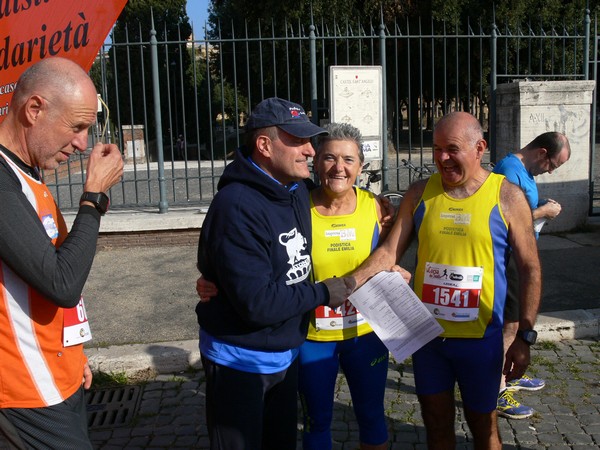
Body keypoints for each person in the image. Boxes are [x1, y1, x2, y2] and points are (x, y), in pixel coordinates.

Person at [351, 111, 542, 449]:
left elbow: (530, 269)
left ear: (479, 147)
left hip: (481, 340)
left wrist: (524, 336)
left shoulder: (508, 196)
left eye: (452, 149)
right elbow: (387, 254)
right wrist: (344, 284)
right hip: (429, 341)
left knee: (484, 430)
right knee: (437, 427)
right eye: (437, 149)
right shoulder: (420, 192)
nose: (442, 158)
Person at [195, 97, 355, 450]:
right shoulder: (236, 205)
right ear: (264, 145)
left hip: (285, 351)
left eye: (310, 141)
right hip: (240, 358)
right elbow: (258, 305)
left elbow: (335, 196)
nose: (311, 151)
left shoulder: (295, 187)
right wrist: (325, 292)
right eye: (298, 141)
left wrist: (379, 206)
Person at [0, 57, 124, 448]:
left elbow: (42, 274)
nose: (82, 143)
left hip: (60, 376)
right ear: (34, 109)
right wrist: (93, 198)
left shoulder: (29, 173)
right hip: (25, 393)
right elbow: (62, 281)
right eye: (76, 127)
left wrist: (72, 352)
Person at [299, 122, 392, 450]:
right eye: (329, 158)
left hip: (365, 336)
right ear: (316, 162)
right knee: (317, 422)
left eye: (348, 160)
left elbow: (388, 257)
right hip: (313, 338)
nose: (339, 167)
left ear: (361, 167)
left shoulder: (376, 208)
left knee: (371, 416)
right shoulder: (297, 208)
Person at [493, 132, 571, 419]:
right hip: (510, 258)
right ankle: (497, 391)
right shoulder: (509, 170)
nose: (550, 171)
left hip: (520, 256)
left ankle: (510, 373)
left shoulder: (522, 171)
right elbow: (505, 218)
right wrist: (545, 211)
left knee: (514, 323)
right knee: (510, 326)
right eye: (552, 165)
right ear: (541, 153)